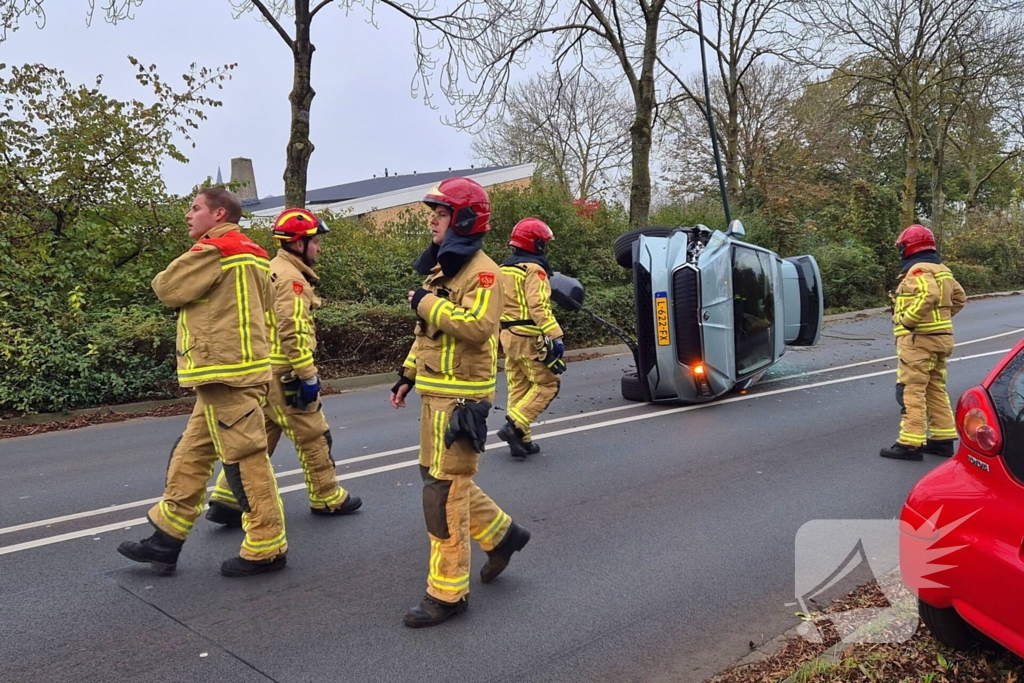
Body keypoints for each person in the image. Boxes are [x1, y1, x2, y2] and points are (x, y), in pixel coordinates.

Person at [117, 187, 288, 577]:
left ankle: (267, 543)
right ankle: (166, 537)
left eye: (195, 208)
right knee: (191, 454)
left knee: (245, 460)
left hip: (224, 372)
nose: (187, 215)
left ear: (219, 214)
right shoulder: (258, 255)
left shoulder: (216, 250)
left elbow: (166, 287)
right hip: (237, 371)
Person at [391, 177, 531, 628]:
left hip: (461, 400)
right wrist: (407, 374)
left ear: (465, 220)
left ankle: (447, 594)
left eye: (442, 213)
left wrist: (425, 304)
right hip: (437, 393)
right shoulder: (444, 271)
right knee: (440, 479)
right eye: (434, 213)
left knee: (443, 492)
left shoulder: (484, 272)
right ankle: (503, 536)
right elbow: (428, 337)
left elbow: (477, 326)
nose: (432, 219)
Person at [205, 208, 362, 528]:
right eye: (314, 241)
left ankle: (228, 498)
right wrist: (308, 374)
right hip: (286, 372)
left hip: (263, 371)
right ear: (298, 244)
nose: (318, 247)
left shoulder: (272, 268)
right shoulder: (292, 279)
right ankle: (327, 496)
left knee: (261, 434)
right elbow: (293, 330)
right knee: (314, 434)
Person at [880, 224, 967, 461]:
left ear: (909, 247)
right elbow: (960, 298)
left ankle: (909, 443)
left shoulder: (918, 270)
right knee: (934, 388)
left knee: (911, 391)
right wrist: (940, 320)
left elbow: (928, 295)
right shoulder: (943, 270)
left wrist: (909, 320)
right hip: (941, 340)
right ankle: (942, 439)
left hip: (919, 341)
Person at [497, 217, 566, 458]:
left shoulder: (503, 269)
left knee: (519, 387)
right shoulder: (534, 270)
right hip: (528, 338)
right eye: (543, 243)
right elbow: (539, 307)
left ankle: (522, 441)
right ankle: (515, 424)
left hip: (507, 337)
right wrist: (555, 336)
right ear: (535, 244)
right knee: (548, 384)